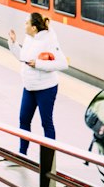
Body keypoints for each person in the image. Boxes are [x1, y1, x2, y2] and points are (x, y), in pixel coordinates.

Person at [7, 13, 66, 157]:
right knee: (24, 119)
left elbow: (63, 64)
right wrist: (13, 44)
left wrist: (39, 64)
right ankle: (22, 154)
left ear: (34, 27)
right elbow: (23, 58)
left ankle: (48, 159)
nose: (24, 26)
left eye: (26, 23)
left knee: (46, 123)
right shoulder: (29, 38)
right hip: (29, 86)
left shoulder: (49, 39)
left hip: (46, 88)